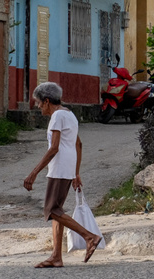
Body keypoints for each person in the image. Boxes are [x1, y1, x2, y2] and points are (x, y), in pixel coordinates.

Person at [23, 81, 102, 268]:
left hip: (59, 167)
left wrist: (33, 173)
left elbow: (54, 148)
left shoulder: (57, 116)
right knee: (56, 211)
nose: (39, 107)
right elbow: (78, 144)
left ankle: (90, 236)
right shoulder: (70, 114)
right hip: (67, 167)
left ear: (47, 101)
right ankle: (56, 256)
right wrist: (75, 172)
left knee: (51, 210)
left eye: (39, 103)